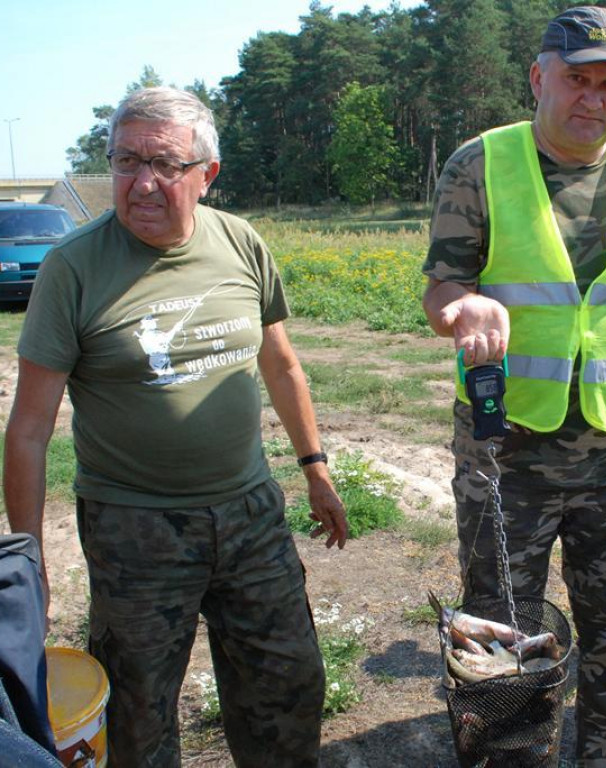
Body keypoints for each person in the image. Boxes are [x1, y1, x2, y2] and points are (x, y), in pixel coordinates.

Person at [3, 86, 348, 767]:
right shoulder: (73, 267)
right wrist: (29, 560)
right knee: (137, 714)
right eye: (126, 161)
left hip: (250, 512)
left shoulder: (240, 242)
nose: (142, 182)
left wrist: (315, 467)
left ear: (206, 175)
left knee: (287, 687)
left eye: (164, 164)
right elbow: (29, 430)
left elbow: (280, 364)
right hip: (135, 527)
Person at [422, 6, 606, 765]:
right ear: (539, 77)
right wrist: (464, 305)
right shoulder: (480, 164)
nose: (594, 98)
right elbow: (441, 287)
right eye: (578, 78)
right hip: (505, 455)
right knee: (501, 636)